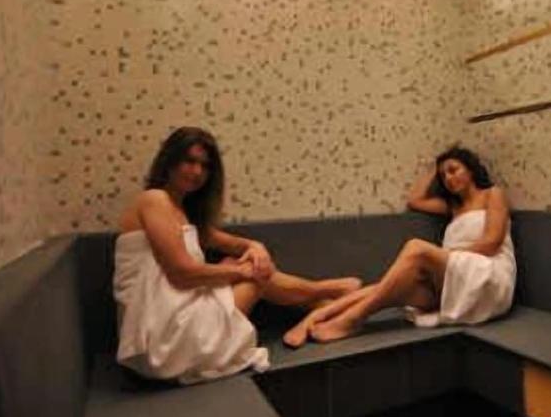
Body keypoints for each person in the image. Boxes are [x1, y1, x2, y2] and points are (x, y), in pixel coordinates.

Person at [113, 127, 362, 383]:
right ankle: (327, 293)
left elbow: (234, 244)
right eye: (189, 161)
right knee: (253, 274)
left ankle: (324, 306)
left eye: (205, 166)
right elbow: (182, 274)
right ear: (169, 160)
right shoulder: (154, 200)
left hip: (172, 323)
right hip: (164, 340)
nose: (197, 172)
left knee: (240, 264)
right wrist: (243, 271)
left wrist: (256, 248)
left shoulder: (180, 211)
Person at [284, 146, 516, 346]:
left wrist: (439, 257)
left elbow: (491, 243)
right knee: (386, 288)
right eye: (443, 175)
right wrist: (434, 166)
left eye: (453, 170)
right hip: (455, 280)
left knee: (416, 249)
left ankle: (352, 320)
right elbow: (415, 200)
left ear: (471, 169)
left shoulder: (492, 194)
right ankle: (318, 316)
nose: (448, 178)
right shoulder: (453, 208)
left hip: (489, 278)